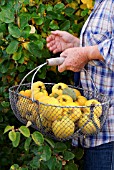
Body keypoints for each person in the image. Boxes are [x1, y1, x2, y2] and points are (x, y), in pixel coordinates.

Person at [46, 0, 114, 170]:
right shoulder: (102, 3)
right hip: (94, 129)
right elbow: (105, 48)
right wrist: (77, 45)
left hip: (110, 136)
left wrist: (86, 53)